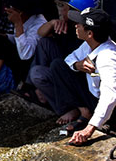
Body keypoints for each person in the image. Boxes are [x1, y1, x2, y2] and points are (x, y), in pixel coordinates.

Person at [49, 8, 116, 146]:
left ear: (90, 33)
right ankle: (85, 112)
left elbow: (110, 96)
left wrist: (89, 130)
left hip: (111, 108)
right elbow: (69, 59)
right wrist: (77, 65)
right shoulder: (89, 44)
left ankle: (97, 122)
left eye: (79, 24)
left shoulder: (108, 56)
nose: (76, 26)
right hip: (92, 96)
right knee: (58, 65)